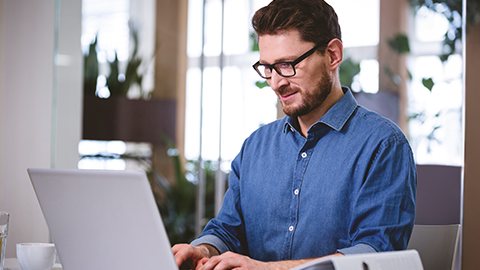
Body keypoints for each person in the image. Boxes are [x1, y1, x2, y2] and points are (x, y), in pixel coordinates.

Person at [173, 0, 417, 269]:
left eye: (288, 64)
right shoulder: (255, 147)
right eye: (268, 68)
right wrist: (203, 249)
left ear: (333, 55)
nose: (277, 82)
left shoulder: (383, 145)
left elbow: (373, 255)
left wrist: (267, 269)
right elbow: (228, 231)